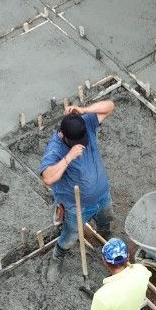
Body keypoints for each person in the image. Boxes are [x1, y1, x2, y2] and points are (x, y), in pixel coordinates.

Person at [40, 98, 115, 267]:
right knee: (70, 236)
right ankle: (57, 258)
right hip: (77, 206)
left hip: (103, 196)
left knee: (105, 218)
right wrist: (69, 157)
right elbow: (47, 177)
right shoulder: (56, 148)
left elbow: (110, 106)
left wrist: (84, 110)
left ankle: (104, 234)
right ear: (63, 135)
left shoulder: (85, 123)